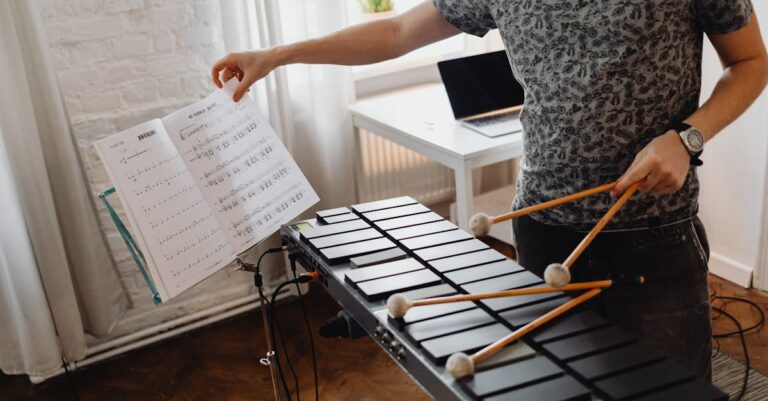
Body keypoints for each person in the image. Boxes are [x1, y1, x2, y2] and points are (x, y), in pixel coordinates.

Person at [212, 1, 768, 380]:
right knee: (557, 384)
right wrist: (277, 56)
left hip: (655, 234)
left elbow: (751, 63)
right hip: (541, 228)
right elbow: (399, 31)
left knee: (667, 389)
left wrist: (688, 137)